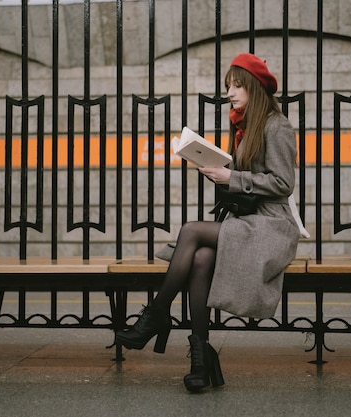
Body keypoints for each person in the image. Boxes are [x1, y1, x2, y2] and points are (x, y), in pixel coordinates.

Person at [115, 52, 301, 392]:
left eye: (236, 86)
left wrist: (231, 177)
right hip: (250, 222)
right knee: (199, 258)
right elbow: (247, 177)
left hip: (272, 226)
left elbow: (283, 183)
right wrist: (220, 172)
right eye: (228, 86)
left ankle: (157, 314)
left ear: (255, 87)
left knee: (191, 230)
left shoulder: (277, 125)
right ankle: (201, 357)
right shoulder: (245, 125)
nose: (230, 92)